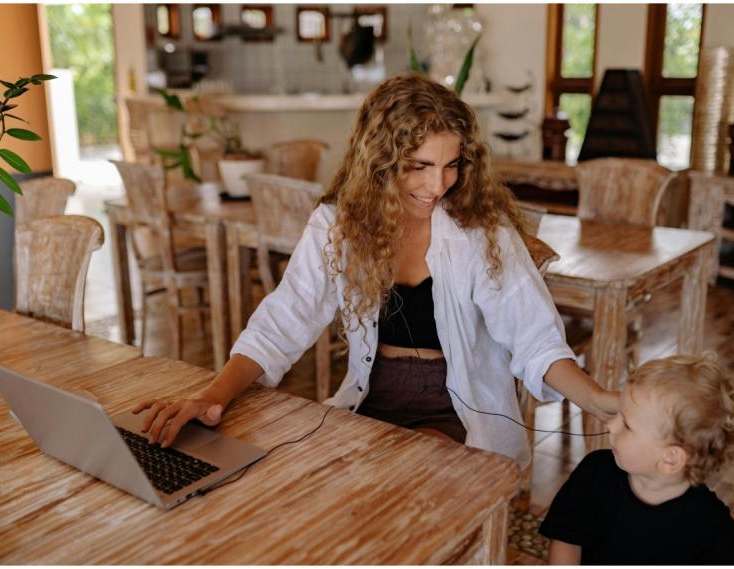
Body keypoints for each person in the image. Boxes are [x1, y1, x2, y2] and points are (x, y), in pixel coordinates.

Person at [134, 73, 617, 468]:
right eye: (419, 166)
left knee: (400, 484)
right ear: (381, 161)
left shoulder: (481, 231)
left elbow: (535, 340)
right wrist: (211, 397)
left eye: (451, 165)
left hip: (456, 408)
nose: (438, 185)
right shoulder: (339, 223)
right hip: (369, 399)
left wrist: (597, 400)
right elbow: (285, 319)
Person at [539, 353, 734, 565]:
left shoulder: (711, 526)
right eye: (618, 414)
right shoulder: (595, 473)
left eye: (627, 425)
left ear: (670, 459)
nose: (611, 425)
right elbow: (566, 540)